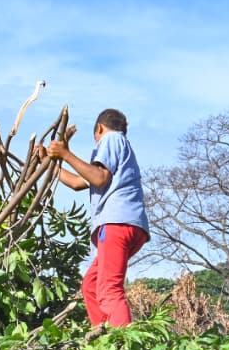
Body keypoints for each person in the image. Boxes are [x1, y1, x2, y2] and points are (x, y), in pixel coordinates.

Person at [45, 108, 150, 328]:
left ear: (99, 129)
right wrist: (48, 163)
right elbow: (77, 182)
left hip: (116, 224)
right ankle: (103, 334)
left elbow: (99, 178)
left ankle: (122, 342)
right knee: (91, 286)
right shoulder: (120, 151)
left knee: (109, 290)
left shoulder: (111, 139)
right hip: (129, 226)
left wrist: (65, 154)